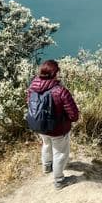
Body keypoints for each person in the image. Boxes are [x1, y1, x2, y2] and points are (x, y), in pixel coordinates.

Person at [26, 60, 80, 190]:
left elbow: (30, 103)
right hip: (58, 129)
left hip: (40, 126)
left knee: (46, 144)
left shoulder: (32, 85)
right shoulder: (60, 91)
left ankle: (47, 166)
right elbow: (74, 115)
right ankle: (59, 181)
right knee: (60, 153)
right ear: (55, 73)